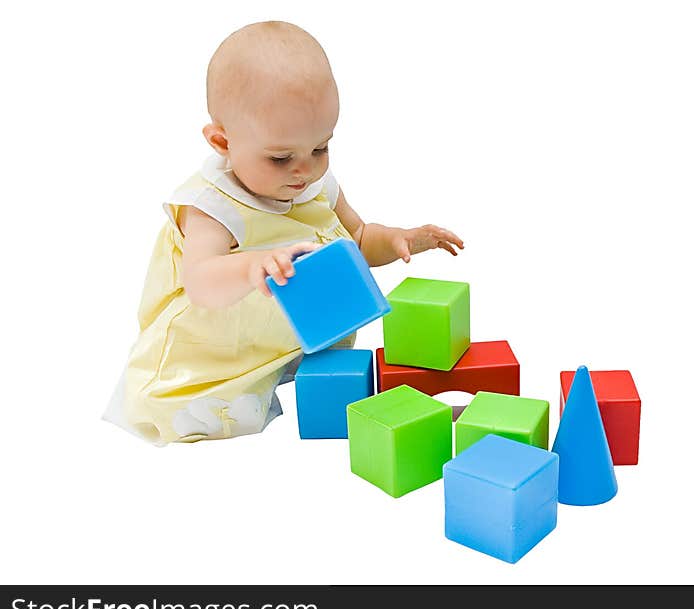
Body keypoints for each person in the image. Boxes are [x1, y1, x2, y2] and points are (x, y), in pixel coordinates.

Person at [103, 20, 464, 446]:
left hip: (292, 339)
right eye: (280, 158)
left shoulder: (313, 185)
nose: (304, 170)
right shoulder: (211, 207)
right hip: (218, 356)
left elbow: (359, 239)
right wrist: (251, 264)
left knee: (330, 386)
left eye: (320, 148)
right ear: (222, 142)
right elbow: (200, 283)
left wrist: (401, 238)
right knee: (213, 419)